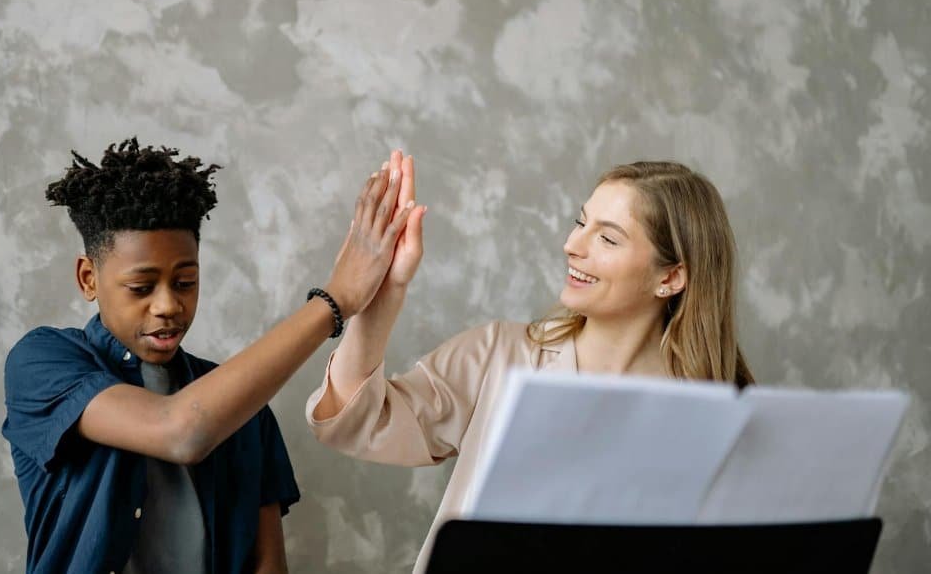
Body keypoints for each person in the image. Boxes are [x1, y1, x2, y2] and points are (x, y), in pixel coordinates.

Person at [306, 154, 755, 574]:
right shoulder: (499, 357)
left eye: (607, 237)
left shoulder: (717, 417)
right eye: (580, 223)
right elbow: (355, 423)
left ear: (670, 277)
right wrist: (381, 297)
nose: (571, 245)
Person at [2, 139, 419, 574]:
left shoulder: (245, 409)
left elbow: (268, 564)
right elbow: (180, 430)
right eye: (141, 288)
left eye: (185, 282)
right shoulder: (41, 362)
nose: (167, 305)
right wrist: (334, 301)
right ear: (89, 278)